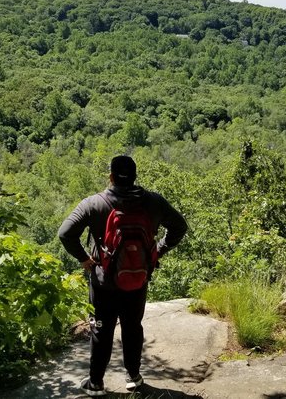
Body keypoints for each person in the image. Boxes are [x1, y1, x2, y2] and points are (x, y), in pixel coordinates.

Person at [58, 155, 188, 396]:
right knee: (132, 326)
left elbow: (65, 233)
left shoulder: (94, 204)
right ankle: (134, 377)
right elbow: (180, 227)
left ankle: (96, 383)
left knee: (101, 330)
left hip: (103, 282)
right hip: (138, 279)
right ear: (136, 176)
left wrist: (85, 259)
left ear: (111, 177)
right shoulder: (153, 202)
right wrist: (157, 251)